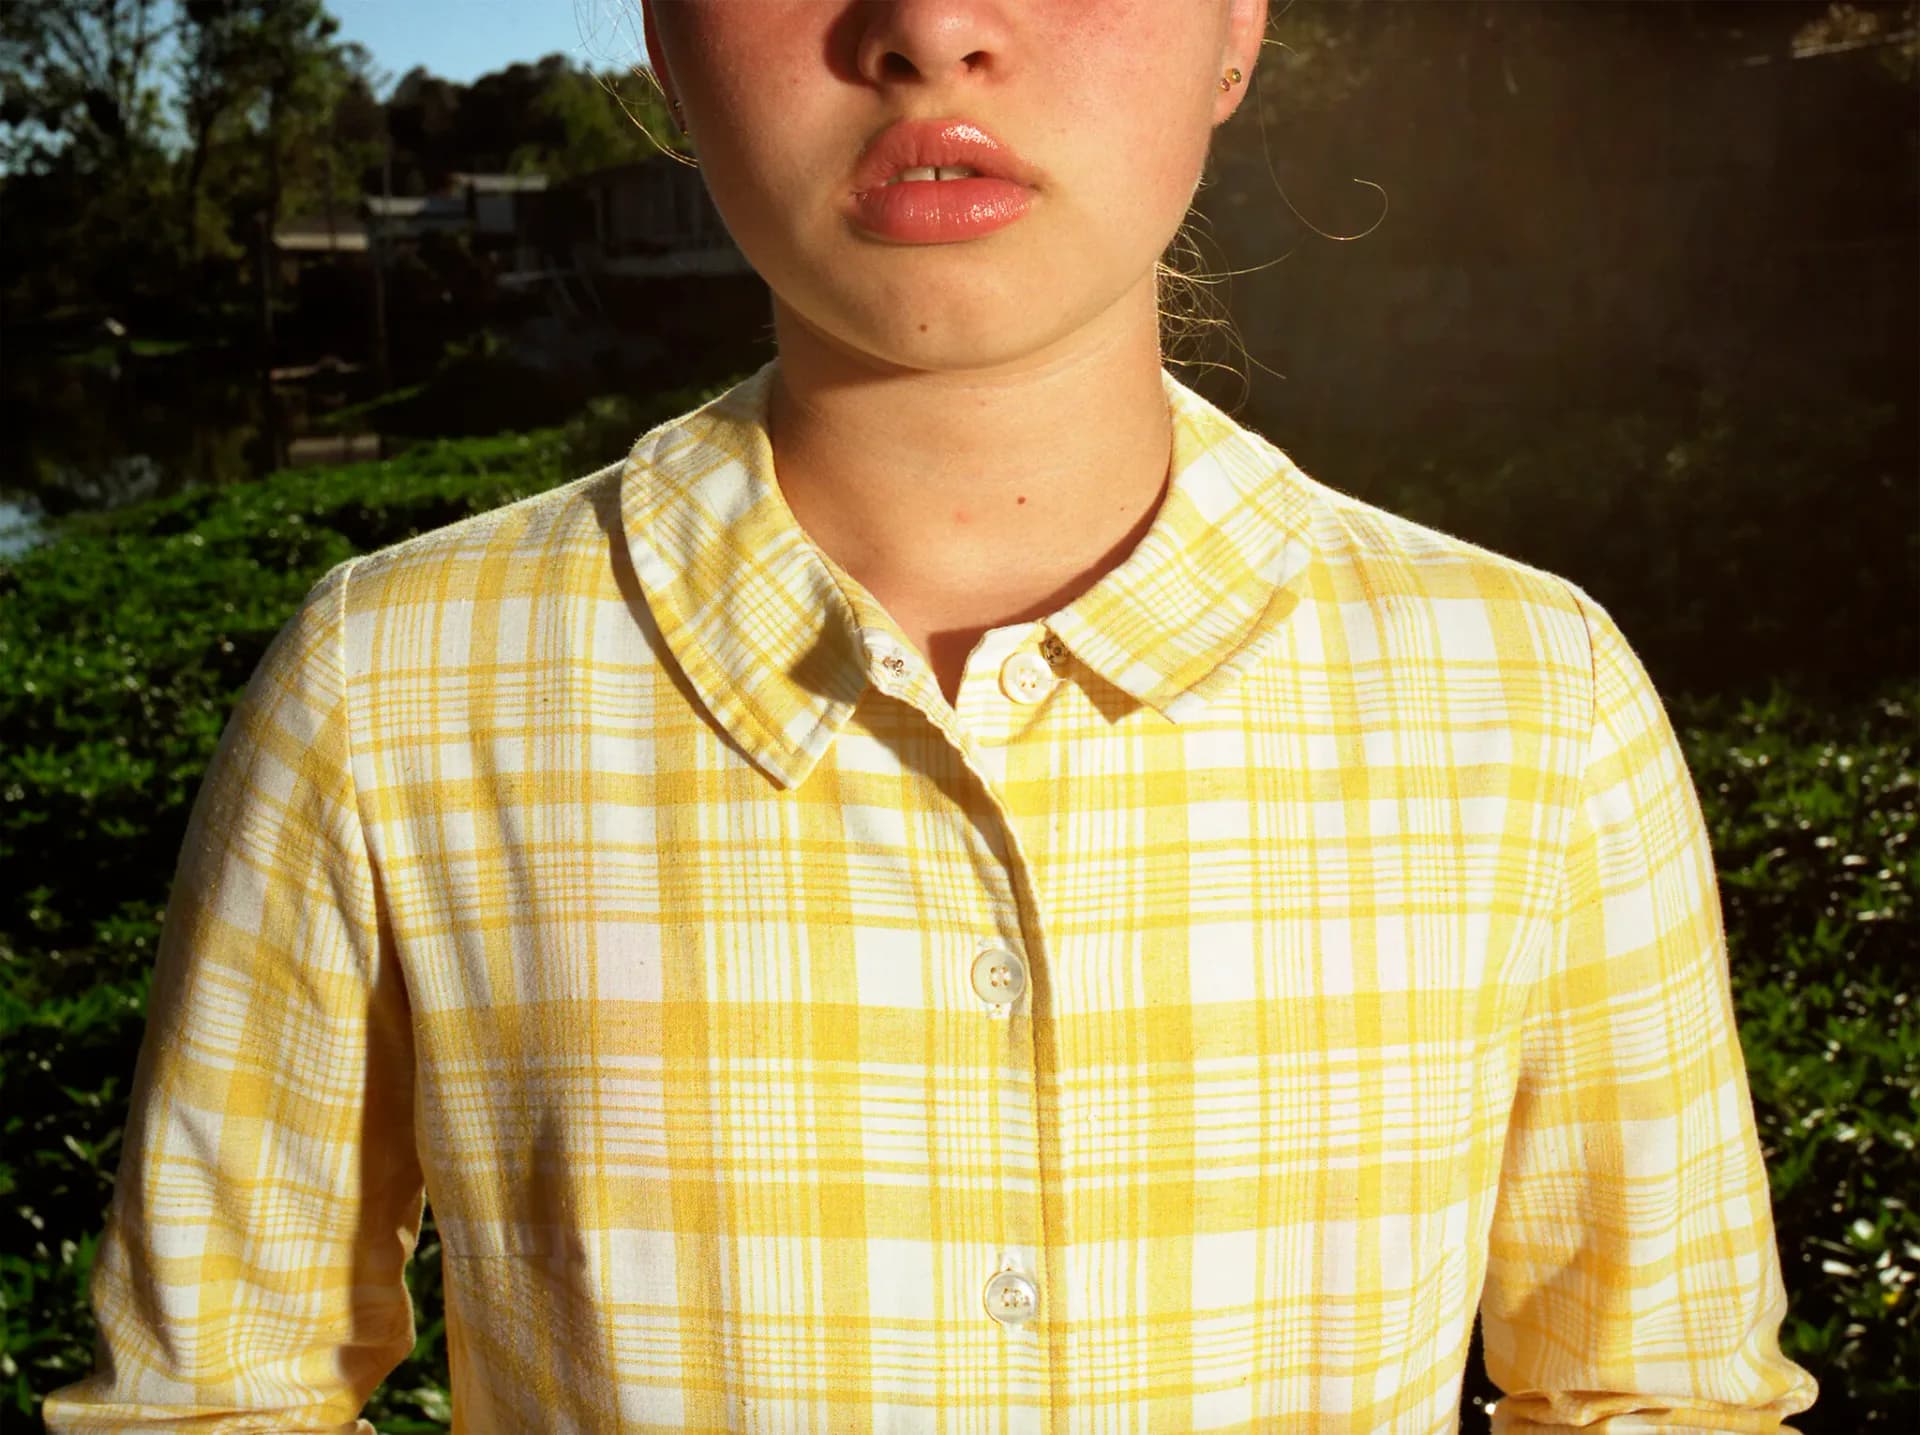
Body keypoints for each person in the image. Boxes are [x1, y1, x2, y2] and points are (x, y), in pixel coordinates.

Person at [42, 1, 1821, 1430]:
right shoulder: (390, 692)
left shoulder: (1533, 698)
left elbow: (1654, 1392)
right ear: (660, 39)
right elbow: (216, 1394)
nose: (931, 28)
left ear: (1238, 29)